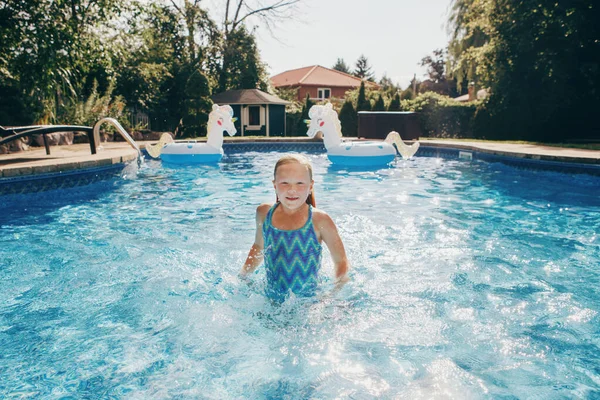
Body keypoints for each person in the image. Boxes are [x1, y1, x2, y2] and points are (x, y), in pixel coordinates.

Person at [240, 154, 349, 299]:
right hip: (271, 298)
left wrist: (330, 297)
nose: (292, 190)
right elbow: (259, 247)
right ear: (274, 185)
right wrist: (243, 276)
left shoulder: (320, 220)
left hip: (309, 303)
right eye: (285, 183)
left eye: (300, 183)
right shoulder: (264, 213)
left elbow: (341, 262)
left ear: (310, 186)